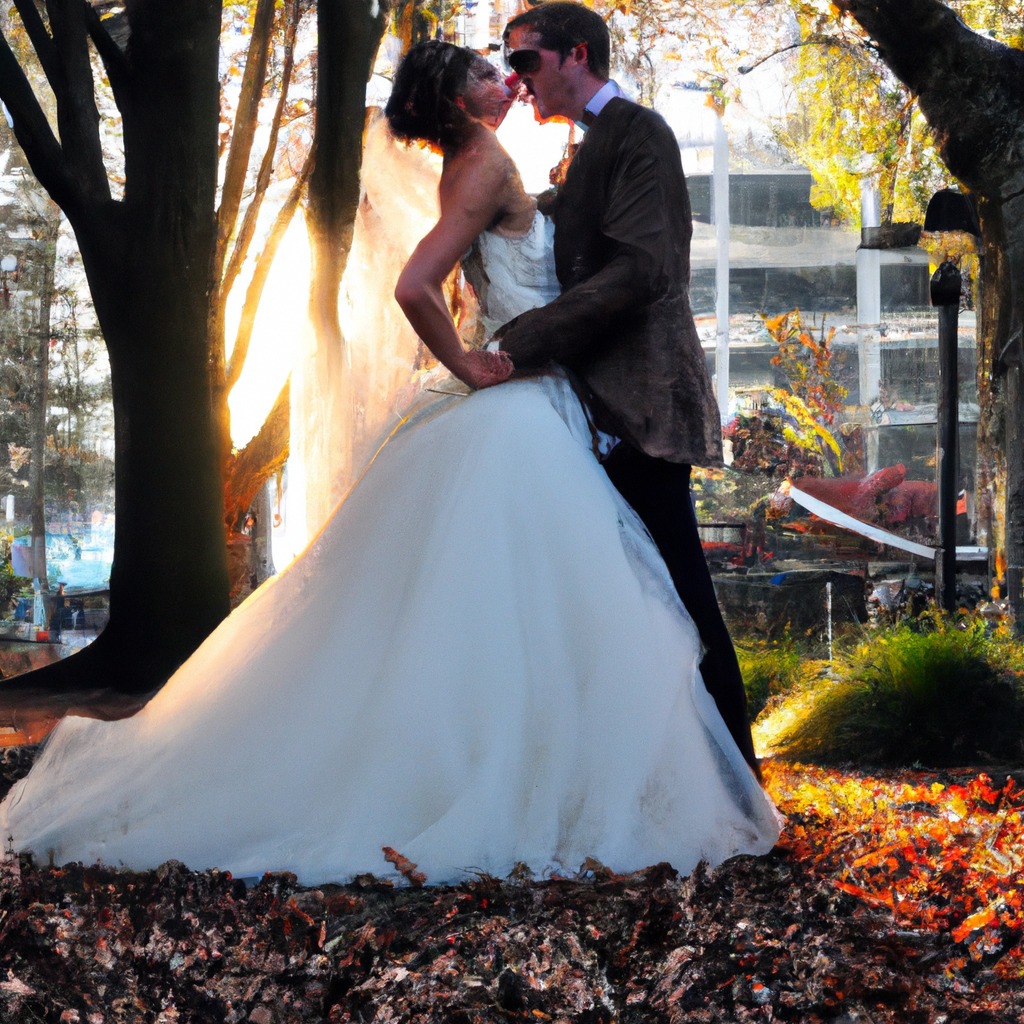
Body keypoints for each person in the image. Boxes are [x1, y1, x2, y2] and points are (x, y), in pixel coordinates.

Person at [0, 42, 778, 886]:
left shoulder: (483, 160)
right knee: (562, 604)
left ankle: (540, 768)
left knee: (524, 613)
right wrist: (469, 363)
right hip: (523, 400)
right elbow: (416, 285)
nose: (504, 78)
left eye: (509, 65)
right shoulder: (481, 165)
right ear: (452, 99)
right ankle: (533, 783)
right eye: (487, 71)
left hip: (551, 399)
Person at [496, 2, 759, 777]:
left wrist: (523, 339)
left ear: (578, 55)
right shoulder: (586, 148)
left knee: (679, 598)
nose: (518, 80)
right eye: (507, 64)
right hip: (594, 409)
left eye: (526, 61)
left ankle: (738, 783)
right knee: (623, 606)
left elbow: (644, 269)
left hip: (642, 411)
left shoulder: (637, 133)